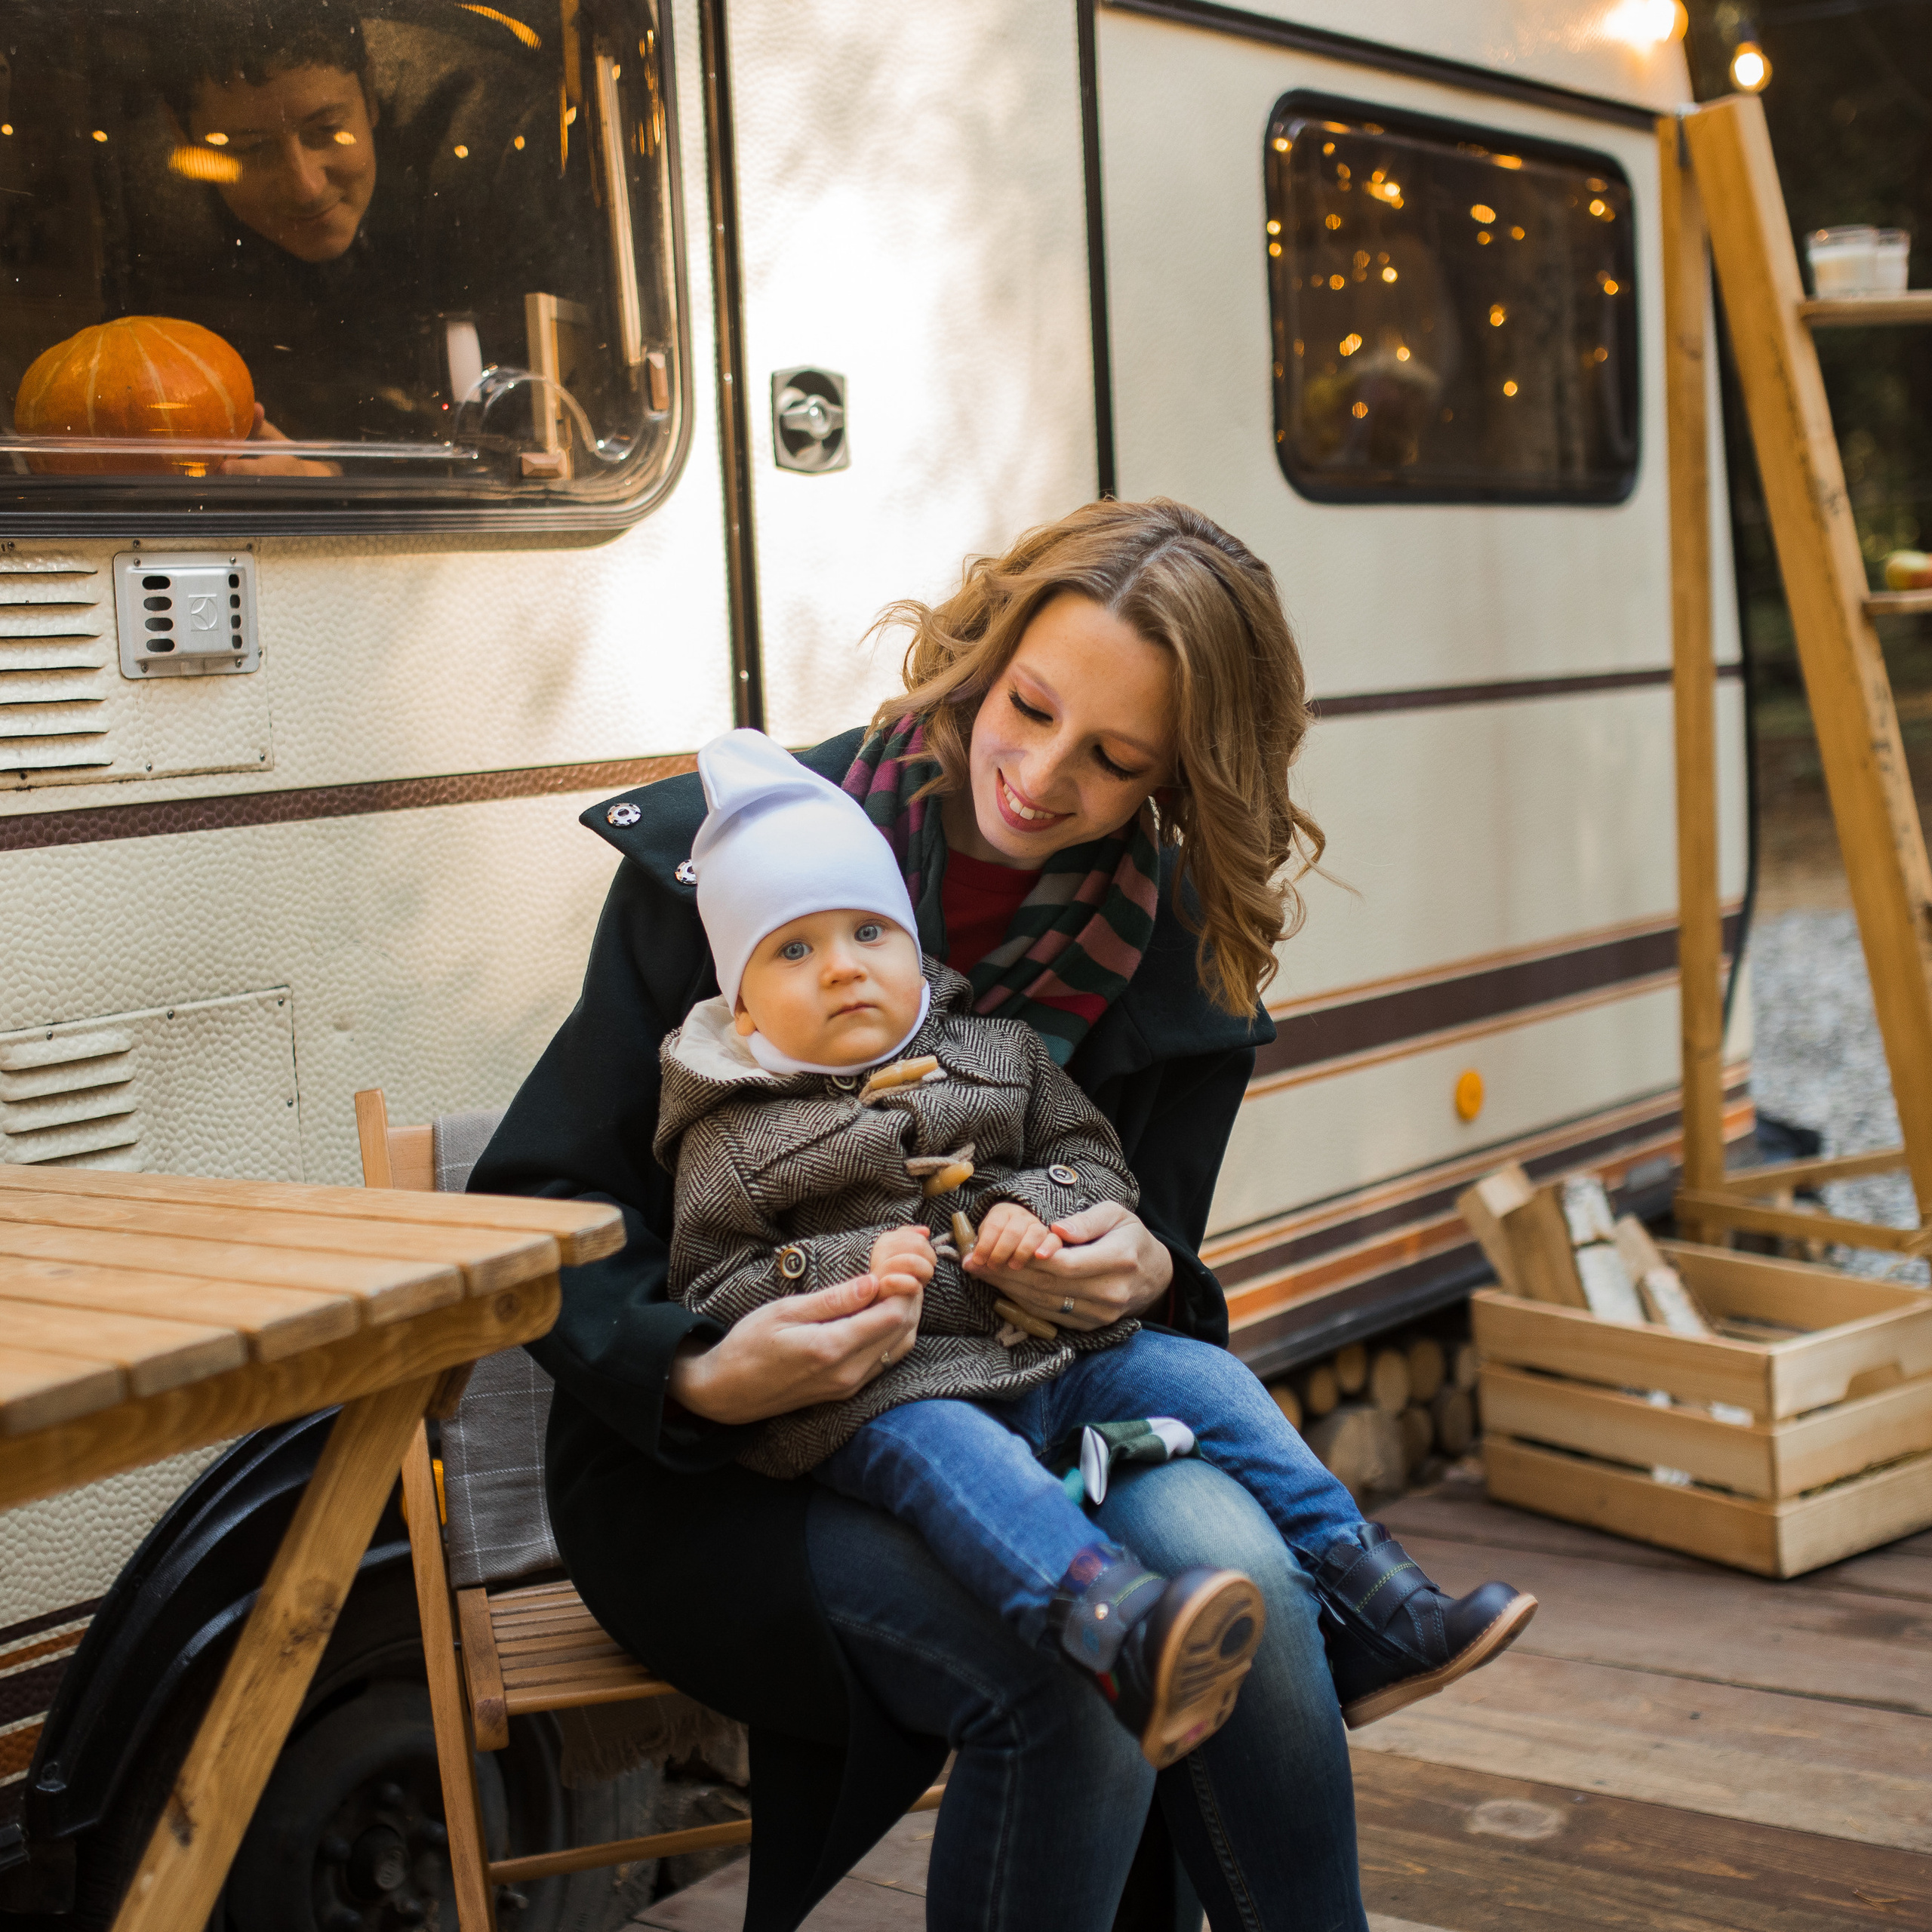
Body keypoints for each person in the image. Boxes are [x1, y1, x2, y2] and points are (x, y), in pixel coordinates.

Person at [470, 499, 1447, 1932]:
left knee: (1248, 1576)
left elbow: (1160, 1274)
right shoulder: (743, 852)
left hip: (1048, 1397)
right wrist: (700, 1373)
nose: (1041, 775)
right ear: (984, 658)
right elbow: (545, 1197)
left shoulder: (1175, 951)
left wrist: (1138, 1268)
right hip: (722, 1465)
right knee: (1072, 1673)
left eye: (1115, 759)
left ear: (1182, 777)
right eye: (1031, 708)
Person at [657, 726, 1534, 1774]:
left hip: (1053, 1348)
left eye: (868, 930)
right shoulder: (730, 1132)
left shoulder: (998, 1053)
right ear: (743, 1004)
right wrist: (848, 1272)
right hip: (888, 1394)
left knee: (1203, 1377)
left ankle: (1375, 1600)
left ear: (910, 944)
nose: (843, 966)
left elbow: (1092, 1158)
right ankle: (1116, 1631)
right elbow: (709, 1285)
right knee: (961, 1462)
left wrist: (1038, 1210)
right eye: (794, 951)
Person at [128, 1, 589, 457]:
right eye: (251, 150)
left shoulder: (491, 146)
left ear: (370, 93)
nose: (305, 187)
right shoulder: (147, 205)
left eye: (327, 130)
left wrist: (335, 478)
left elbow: (549, 431)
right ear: (181, 135)